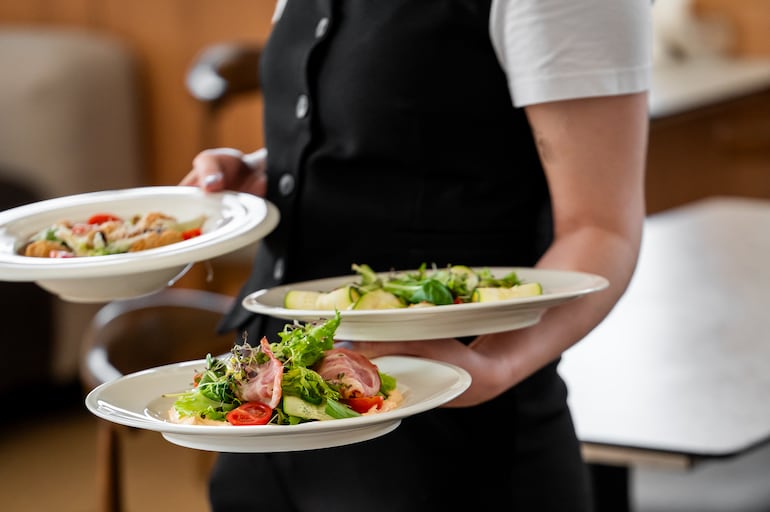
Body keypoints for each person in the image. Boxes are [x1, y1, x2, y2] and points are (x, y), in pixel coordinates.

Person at [181, 1, 652, 510]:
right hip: (263, 426)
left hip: (445, 442)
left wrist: (491, 364)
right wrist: (275, 171)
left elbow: (601, 227)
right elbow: (405, 130)